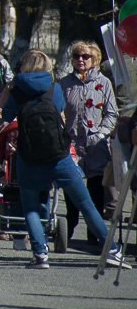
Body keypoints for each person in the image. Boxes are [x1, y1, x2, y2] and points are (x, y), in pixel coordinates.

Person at [0, 49, 128, 269]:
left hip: (29, 156)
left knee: (30, 206)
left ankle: (40, 254)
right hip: (58, 156)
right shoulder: (54, 88)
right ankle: (112, 250)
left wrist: (10, 91)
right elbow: (59, 110)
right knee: (86, 203)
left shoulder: (17, 91)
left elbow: (6, 116)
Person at [58, 40, 117, 245]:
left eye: (85, 57)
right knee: (71, 187)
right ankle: (69, 227)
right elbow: (57, 112)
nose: (80, 60)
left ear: (94, 59)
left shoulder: (104, 83)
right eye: (76, 56)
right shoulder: (64, 84)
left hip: (96, 145)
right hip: (72, 144)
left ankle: (95, 233)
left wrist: (101, 134)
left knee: (94, 191)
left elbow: (111, 114)